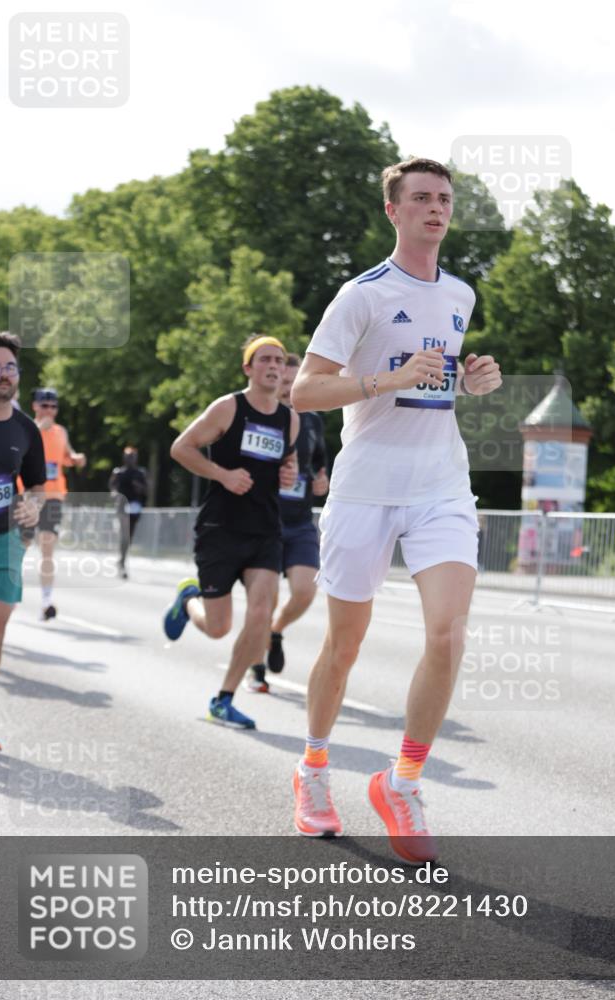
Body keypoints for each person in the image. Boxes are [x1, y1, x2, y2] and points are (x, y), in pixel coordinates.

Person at [290, 158, 502, 862]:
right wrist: (385, 378)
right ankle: (313, 768)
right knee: (344, 645)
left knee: (447, 635)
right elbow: (304, 391)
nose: (435, 208)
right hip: (364, 488)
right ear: (393, 210)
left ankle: (402, 782)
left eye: (444, 198)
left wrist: (470, 382)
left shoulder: (461, 293)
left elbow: (433, 382)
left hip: (440, 484)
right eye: (421, 198)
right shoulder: (361, 295)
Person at [163, 335, 299, 730]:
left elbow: (285, 463)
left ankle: (223, 700)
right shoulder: (228, 408)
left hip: (265, 530)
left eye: (278, 360)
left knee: (261, 613)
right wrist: (222, 475)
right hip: (221, 528)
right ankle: (189, 600)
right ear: (248, 368)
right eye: (264, 359)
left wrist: (288, 473)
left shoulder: (290, 419)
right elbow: (181, 448)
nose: (273, 366)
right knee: (218, 627)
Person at [0, 332, 46, 751]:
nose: (3, 374)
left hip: (3, 541)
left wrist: (34, 506)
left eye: (10, 367)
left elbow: (36, 484)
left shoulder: (26, 430)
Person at [247, 352, 329, 692]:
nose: (288, 389)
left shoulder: (312, 421)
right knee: (263, 601)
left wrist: (322, 479)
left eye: (294, 383)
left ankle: (275, 630)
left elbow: (319, 463)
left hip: (299, 523)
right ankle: (256, 668)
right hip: (265, 522)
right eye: (283, 382)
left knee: (306, 591)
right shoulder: (259, 418)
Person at [31, 387, 86, 620]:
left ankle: (46, 601)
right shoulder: (26, 428)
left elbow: (67, 456)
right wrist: (37, 430)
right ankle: (3, 598)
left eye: (53, 406)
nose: (49, 411)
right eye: (45, 405)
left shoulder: (61, 431)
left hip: (53, 496)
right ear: (35, 406)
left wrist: (77, 459)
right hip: (28, 496)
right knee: (17, 547)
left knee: (47, 547)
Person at [109, 447, 148, 579]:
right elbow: (112, 488)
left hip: (135, 507)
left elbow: (147, 489)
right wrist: (115, 495)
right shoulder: (118, 472)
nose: (130, 459)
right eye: (128, 456)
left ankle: (122, 559)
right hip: (122, 507)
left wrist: (139, 487)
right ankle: (122, 564)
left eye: (132, 456)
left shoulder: (141, 473)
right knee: (125, 535)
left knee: (129, 536)